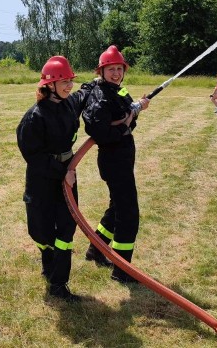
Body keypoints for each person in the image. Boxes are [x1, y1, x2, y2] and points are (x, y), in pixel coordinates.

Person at [16, 56, 92, 302]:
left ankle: (59, 284)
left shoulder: (69, 104)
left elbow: (83, 94)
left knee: (66, 229)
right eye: (64, 81)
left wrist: (102, 79)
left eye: (70, 81)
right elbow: (34, 157)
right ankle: (48, 265)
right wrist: (63, 172)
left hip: (67, 176)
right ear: (49, 85)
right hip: (43, 180)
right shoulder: (34, 118)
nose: (69, 86)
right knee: (42, 230)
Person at [81, 45, 150, 284]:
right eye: (111, 69)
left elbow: (126, 116)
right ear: (101, 71)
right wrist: (126, 124)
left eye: (119, 68)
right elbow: (100, 131)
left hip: (123, 157)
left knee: (116, 206)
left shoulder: (117, 91)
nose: (116, 73)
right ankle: (122, 269)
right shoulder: (100, 96)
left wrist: (137, 109)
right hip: (114, 160)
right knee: (128, 212)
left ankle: (96, 250)